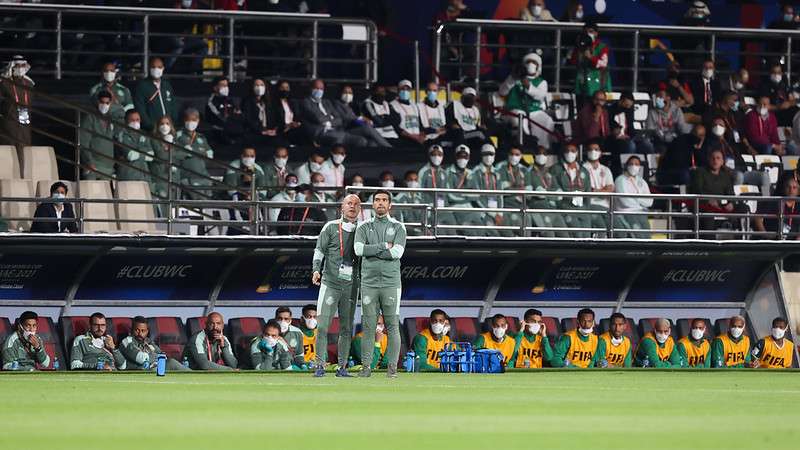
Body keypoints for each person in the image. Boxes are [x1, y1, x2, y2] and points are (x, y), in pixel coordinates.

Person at [354, 189, 407, 378]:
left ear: (390, 205)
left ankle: (392, 368)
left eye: (384, 200)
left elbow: (397, 253)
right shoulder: (363, 226)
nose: (381, 203)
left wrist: (372, 251)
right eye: (377, 200)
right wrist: (384, 246)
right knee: (368, 326)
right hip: (368, 283)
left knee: (392, 325)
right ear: (373, 204)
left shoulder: (399, 227)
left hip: (391, 283)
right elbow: (359, 250)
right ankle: (366, 367)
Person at [311, 194, 361, 377]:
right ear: (342, 206)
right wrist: (316, 269)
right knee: (323, 326)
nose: (352, 206)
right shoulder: (330, 227)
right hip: (330, 283)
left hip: (352, 285)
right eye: (349, 203)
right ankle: (319, 365)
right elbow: (319, 249)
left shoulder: (363, 230)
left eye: (356, 204)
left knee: (346, 328)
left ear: (360, 209)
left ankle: (342, 367)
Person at [499, 52, 554, 149]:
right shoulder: (514, 78)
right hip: (515, 109)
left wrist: (528, 86)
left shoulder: (541, 82)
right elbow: (502, 92)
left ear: (538, 66)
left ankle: (542, 148)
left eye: (534, 62)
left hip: (535, 111)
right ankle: (525, 146)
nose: (530, 64)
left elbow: (540, 96)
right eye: (528, 62)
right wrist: (512, 79)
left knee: (547, 121)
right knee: (520, 118)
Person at [300, 79, 367, 147]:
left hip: (337, 130)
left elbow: (339, 119)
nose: (319, 91)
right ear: (311, 88)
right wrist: (331, 117)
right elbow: (318, 118)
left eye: (321, 89)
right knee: (338, 139)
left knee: (362, 141)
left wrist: (329, 122)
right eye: (316, 88)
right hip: (321, 132)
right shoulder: (306, 102)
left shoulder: (327, 102)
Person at [688, 147, 739, 233]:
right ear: (709, 160)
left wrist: (731, 203)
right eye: (713, 158)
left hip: (722, 204)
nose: (715, 160)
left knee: (743, 208)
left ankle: (741, 238)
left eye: (718, 158)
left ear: (722, 161)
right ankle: (709, 241)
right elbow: (698, 190)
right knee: (709, 212)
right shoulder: (700, 172)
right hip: (705, 204)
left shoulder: (726, 176)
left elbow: (731, 193)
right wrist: (708, 200)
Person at [551, 142, 592, 237]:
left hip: (582, 209)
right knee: (577, 233)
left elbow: (588, 192)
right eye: (567, 151)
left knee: (587, 235)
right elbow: (554, 189)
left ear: (577, 153)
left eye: (573, 151)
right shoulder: (556, 169)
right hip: (565, 208)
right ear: (563, 153)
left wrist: (587, 209)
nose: (570, 153)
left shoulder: (583, 170)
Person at [527, 146, 569, 237]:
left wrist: (546, 193)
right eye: (539, 154)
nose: (542, 156)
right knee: (549, 235)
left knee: (565, 235)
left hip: (553, 209)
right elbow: (532, 195)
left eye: (544, 154)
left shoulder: (549, 172)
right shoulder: (529, 172)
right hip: (537, 210)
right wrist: (550, 193)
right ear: (534, 156)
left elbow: (559, 195)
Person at [119, 316, 186, 371]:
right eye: (137, 330)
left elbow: (162, 355)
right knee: (155, 369)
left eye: (143, 331)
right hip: (136, 371)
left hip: (152, 367)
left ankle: (193, 376)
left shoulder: (148, 341)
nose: (140, 333)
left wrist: (157, 359)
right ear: (131, 330)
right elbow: (143, 359)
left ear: (147, 331)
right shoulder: (126, 342)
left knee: (171, 362)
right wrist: (156, 358)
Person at [175, 108, 214, 200]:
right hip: (187, 175)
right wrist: (188, 153)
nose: (191, 122)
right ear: (184, 120)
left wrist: (191, 151)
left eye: (194, 120)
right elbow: (174, 153)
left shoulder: (201, 137)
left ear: (198, 121)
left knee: (207, 202)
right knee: (198, 201)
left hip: (203, 175)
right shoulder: (178, 135)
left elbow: (210, 154)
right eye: (188, 120)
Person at [444, 144, 483, 235]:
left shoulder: (471, 173)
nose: (462, 159)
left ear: (469, 158)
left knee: (482, 229)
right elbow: (450, 196)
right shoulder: (448, 172)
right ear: (455, 156)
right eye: (460, 156)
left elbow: (477, 195)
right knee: (469, 230)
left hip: (470, 207)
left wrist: (462, 194)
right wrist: (467, 194)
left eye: (465, 156)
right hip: (455, 207)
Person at [569, 19, 611, 103]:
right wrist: (578, 48)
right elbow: (573, 61)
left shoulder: (602, 47)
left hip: (597, 84)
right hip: (582, 84)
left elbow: (603, 64)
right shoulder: (579, 45)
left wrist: (591, 57)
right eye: (586, 32)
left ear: (596, 33)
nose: (588, 34)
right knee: (581, 110)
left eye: (591, 31)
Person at [133, 57, 178, 131]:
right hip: (152, 129)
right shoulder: (142, 86)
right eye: (153, 67)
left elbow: (173, 104)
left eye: (159, 67)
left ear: (163, 68)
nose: (156, 69)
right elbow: (140, 108)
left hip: (168, 128)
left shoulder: (167, 85)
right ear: (149, 68)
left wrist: (172, 123)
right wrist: (150, 125)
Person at [0, 55, 33, 155]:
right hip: (10, 120)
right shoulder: (4, 82)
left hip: (25, 121)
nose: (21, 68)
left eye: (23, 65)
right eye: (18, 65)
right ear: (12, 66)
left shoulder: (29, 83)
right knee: (11, 148)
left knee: (25, 148)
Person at [80, 90, 116, 180]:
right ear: (97, 102)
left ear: (110, 103)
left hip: (108, 167)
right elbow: (83, 142)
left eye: (107, 103)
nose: (104, 105)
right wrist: (89, 162)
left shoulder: (111, 119)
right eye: (102, 102)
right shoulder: (90, 118)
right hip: (93, 166)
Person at [614, 155, 653, 238]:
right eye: (631, 164)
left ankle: (647, 251)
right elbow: (625, 202)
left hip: (641, 213)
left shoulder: (642, 181)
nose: (633, 166)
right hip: (626, 213)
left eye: (636, 164)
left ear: (639, 167)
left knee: (647, 236)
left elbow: (650, 202)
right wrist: (641, 201)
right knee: (639, 236)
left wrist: (636, 198)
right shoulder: (620, 180)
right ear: (627, 166)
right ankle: (639, 251)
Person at [468, 144, 503, 236]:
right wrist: (493, 214)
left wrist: (500, 213)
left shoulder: (497, 173)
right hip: (482, 212)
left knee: (508, 231)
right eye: (485, 154)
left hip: (496, 211)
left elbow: (501, 195)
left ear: (494, 156)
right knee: (494, 234)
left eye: (491, 154)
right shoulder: (475, 172)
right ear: (481, 155)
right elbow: (477, 198)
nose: (488, 157)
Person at [240, 77, 285, 148]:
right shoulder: (247, 102)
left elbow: (277, 118)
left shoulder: (270, 102)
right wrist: (261, 131)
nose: (259, 87)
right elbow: (248, 120)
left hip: (270, 131)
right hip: (255, 132)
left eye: (261, 85)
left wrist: (275, 130)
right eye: (256, 85)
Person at [496, 145, 530, 236]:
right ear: (508, 155)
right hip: (507, 206)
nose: (514, 156)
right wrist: (519, 188)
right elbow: (502, 189)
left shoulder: (525, 170)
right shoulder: (500, 167)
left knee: (528, 225)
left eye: (517, 154)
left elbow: (529, 191)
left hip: (523, 205)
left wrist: (511, 187)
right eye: (512, 154)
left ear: (521, 156)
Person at [645, 89, 692, 155]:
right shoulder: (652, 112)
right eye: (657, 97)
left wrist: (674, 136)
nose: (659, 99)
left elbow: (681, 127)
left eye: (661, 97)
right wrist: (662, 136)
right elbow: (650, 130)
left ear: (668, 98)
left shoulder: (677, 110)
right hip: (659, 141)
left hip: (675, 139)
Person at [115, 109, 154, 187]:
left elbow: (151, 156)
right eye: (132, 120)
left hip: (144, 175)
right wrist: (143, 152)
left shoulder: (144, 134)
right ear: (126, 121)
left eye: (137, 120)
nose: (135, 122)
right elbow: (130, 155)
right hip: (128, 175)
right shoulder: (122, 134)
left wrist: (137, 152)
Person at [582, 139, 614, 234]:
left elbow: (611, 189)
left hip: (606, 207)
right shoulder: (582, 169)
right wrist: (603, 190)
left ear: (600, 153)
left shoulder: (606, 169)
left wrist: (596, 191)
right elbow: (588, 191)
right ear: (586, 152)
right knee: (601, 229)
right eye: (590, 149)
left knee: (619, 228)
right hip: (590, 205)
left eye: (596, 149)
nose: (593, 152)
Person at [755, 175, 800, 239]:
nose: (791, 190)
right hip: (773, 241)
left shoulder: (798, 205)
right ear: (784, 189)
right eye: (788, 187)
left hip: (792, 243)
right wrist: (765, 234)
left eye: (794, 188)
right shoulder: (775, 202)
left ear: (798, 191)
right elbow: (758, 217)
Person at [205, 76, 244, 144]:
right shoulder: (211, 102)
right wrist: (232, 118)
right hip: (219, 130)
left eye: (226, 85)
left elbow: (239, 114)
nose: (225, 88)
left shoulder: (229, 99)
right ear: (215, 88)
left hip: (232, 128)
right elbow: (220, 117)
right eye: (222, 85)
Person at [148, 116, 179, 202]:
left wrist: (169, 149)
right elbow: (160, 155)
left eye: (167, 123)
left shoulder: (175, 139)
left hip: (174, 177)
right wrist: (169, 148)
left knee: (175, 204)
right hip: (160, 177)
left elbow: (182, 154)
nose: (165, 126)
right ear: (157, 126)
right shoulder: (153, 139)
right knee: (162, 203)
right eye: (162, 124)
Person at [390, 79, 428, 148]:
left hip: (418, 140)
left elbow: (420, 124)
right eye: (402, 89)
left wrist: (422, 136)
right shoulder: (393, 105)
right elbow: (396, 127)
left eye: (407, 89)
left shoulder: (415, 105)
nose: (405, 91)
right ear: (398, 90)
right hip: (404, 140)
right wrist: (412, 137)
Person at [418, 143, 449, 213]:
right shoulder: (423, 171)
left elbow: (447, 191)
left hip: (443, 205)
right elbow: (419, 191)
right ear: (429, 156)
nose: (436, 157)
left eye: (439, 154)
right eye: (433, 154)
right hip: (428, 205)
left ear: (443, 156)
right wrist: (425, 205)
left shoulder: (444, 172)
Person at [272, 80, 304, 145]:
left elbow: (298, 116)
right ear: (278, 89)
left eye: (287, 88)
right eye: (282, 88)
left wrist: (297, 123)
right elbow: (274, 120)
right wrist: (287, 125)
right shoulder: (274, 104)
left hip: (294, 128)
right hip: (282, 129)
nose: (285, 90)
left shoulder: (293, 103)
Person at [395, 170, 425, 235]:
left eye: (415, 180)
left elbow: (423, 219)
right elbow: (399, 221)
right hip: (405, 231)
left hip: (420, 231)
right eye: (410, 180)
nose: (413, 182)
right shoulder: (399, 199)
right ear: (405, 182)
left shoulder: (420, 199)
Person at [418, 82, 448, 146]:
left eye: (434, 90)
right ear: (426, 92)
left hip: (441, 137)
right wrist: (435, 131)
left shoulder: (441, 107)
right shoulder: (419, 106)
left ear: (438, 92)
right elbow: (420, 127)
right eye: (430, 90)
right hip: (427, 138)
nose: (432, 93)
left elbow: (444, 125)